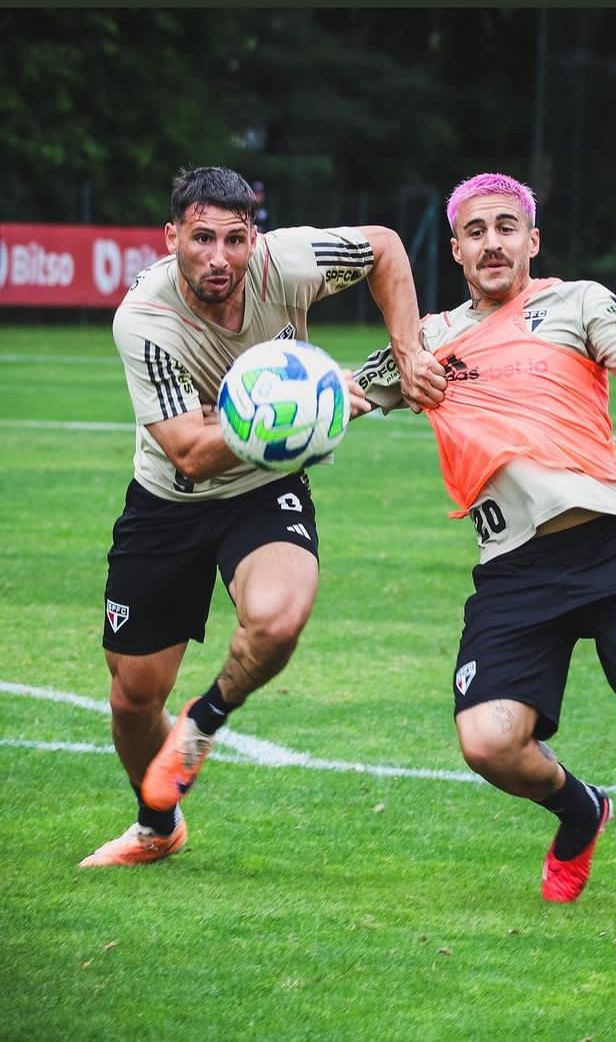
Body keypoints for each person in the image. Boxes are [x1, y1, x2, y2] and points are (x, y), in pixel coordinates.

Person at [355, 172, 616, 927]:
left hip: (612, 549)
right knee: (487, 742)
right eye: (476, 230)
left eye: (506, 227)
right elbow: (343, 396)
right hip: (513, 571)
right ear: (454, 250)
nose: (492, 242)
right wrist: (279, 403)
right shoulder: (427, 344)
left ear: (532, 241)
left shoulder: (574, 302)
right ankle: (581, 810)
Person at [80, 165, 445, 867]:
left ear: (257, 238)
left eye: (235, 239)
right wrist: (308, 399)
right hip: (169, 503)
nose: (219, 257)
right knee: (132, 698)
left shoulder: (290, 261)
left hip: (264, 489)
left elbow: (386, 248)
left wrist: (408, 352)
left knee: (278, 618)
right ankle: (158, 826)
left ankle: (203, 721)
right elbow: (189, 452)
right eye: (201, 239)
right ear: (171, 238)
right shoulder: (145, 320)